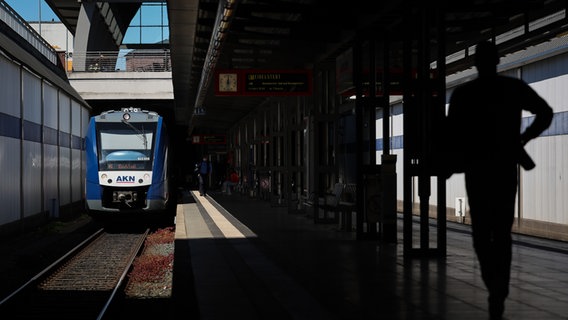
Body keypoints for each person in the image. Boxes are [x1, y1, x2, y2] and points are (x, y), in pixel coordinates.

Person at [445, 40, 553, 319]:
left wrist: (450, 162)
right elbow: (545, 113)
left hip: (476, 171)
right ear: (497, 60)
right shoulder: (512, 88)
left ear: (476, 63)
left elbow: (452, 136)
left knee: (481, 233)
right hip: (505, 169)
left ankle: (493, 283)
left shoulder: (463, 94)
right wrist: (523, 139)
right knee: (502, 233)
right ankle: (499, 291)